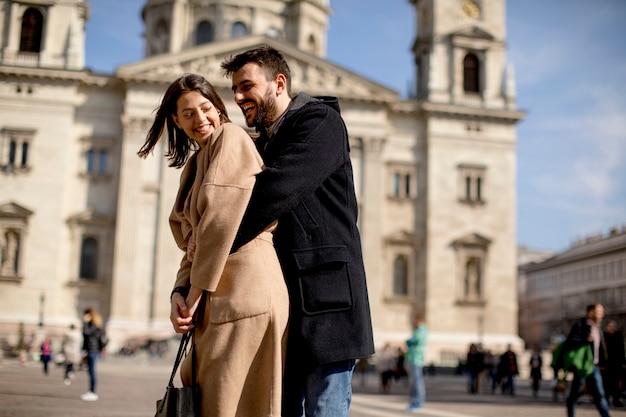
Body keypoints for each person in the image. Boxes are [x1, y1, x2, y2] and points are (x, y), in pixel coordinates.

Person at [220, 46, 375, 417]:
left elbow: (275, 191)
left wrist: (213, 245)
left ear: (279, 82)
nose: (238, 98)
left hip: (327, 303)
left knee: (325, 410)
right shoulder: (260, 142)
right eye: (235, 90)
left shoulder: (320, 121)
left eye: (246, 86)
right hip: (281, 302)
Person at [138, 73, 289, 417]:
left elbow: (220, 221)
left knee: (233, 404)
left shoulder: (230, 137)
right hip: (216, 294)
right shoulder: (194, 164)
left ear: (219, 109)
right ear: (176, 120)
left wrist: (193, 295)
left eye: (206, 108)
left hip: (244, 288)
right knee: (214, 402)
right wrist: (179, 293)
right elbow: (195, 239)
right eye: (187, 114)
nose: (200, 119)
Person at [565, 303, 611, 417]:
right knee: (575, 394)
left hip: (594, 366)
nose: (602, 314)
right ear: (590, 312)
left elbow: (600, 348)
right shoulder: (580, 325)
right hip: (582, 365)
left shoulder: (597, 326)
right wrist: (586, 339)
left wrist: (603, 362)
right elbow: (570, 342)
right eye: (599, 311)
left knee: (600, 394)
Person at [405, 314, 427, 411]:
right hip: (415, 359)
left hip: (416, 359)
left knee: (416, 382)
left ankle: (417, 402)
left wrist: (408, 341)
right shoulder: (421, 330)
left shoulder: (420, 331)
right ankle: (416, 401)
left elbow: (412, 341)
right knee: (416, 382)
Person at [81, 308, 103, 401]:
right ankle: (91, 391)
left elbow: (86, 333)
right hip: (91, 350)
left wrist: (85, 323)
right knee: (90, 371)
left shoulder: (93, 326)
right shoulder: (95, 325)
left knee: (91, 372)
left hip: (92, 350)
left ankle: (92, 392)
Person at [601, 319, 625, 407]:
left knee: (616, 384)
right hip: (606, 365)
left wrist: (623, 362)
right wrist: (601, 363)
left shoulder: (619, 336)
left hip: (617, 364)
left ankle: (616, 400)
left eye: (613, 326)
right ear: (607, 327)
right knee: (606, 383)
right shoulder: (603, 337)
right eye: (610, 326)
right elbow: (600, 351)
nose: (612, 328)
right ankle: (606, 400)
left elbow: (622, 350)